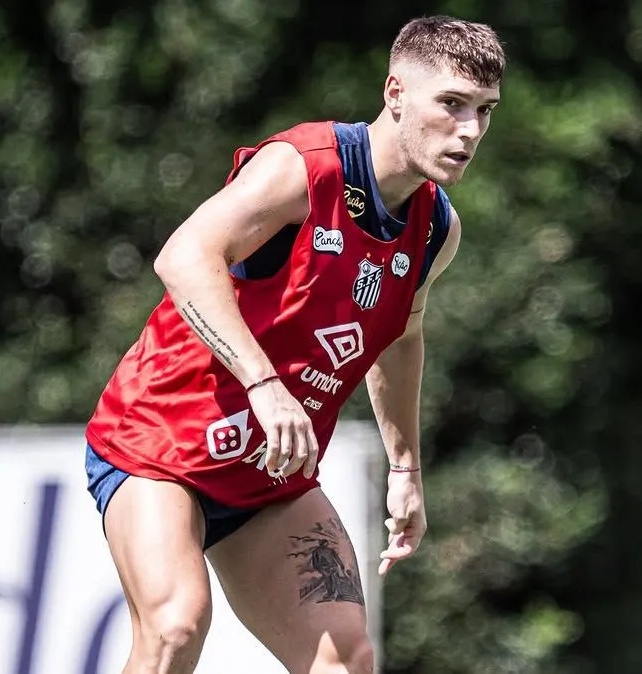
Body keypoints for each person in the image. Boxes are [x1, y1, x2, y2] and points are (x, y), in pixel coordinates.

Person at [82, 14, 505, 674]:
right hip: (160, 443)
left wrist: (406, 469)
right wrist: (264, 382)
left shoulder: (434, 230)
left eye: (484, 111)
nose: (470, 130)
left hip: (267, 475)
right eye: (451, 104)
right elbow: (185, 256)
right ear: (395, 93)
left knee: (348, 661)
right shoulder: (305, 170)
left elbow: (400, 337)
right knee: (174, 627)